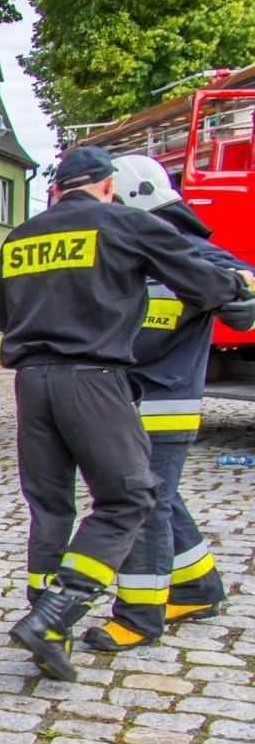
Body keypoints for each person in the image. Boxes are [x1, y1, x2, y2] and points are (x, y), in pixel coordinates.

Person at [0, 146, 247, 681]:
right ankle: (60, 612)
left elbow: (0, 315)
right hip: (95, 379)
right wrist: (235, 291)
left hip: (31, 383)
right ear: (107, 186)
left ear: (56, 188)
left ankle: (44, 618)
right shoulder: (123, 223)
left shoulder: (20, 237)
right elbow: (207, 281)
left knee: (51, 507)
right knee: (131, 496)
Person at [87, 154, 255, 651]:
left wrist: (240, 292)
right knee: (162, 496)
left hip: (165, 401)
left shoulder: (181, 248)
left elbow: (239, 276)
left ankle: (139, 617)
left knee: (143, 503)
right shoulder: (126, 249)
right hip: (126, 399)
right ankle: (198, 586)